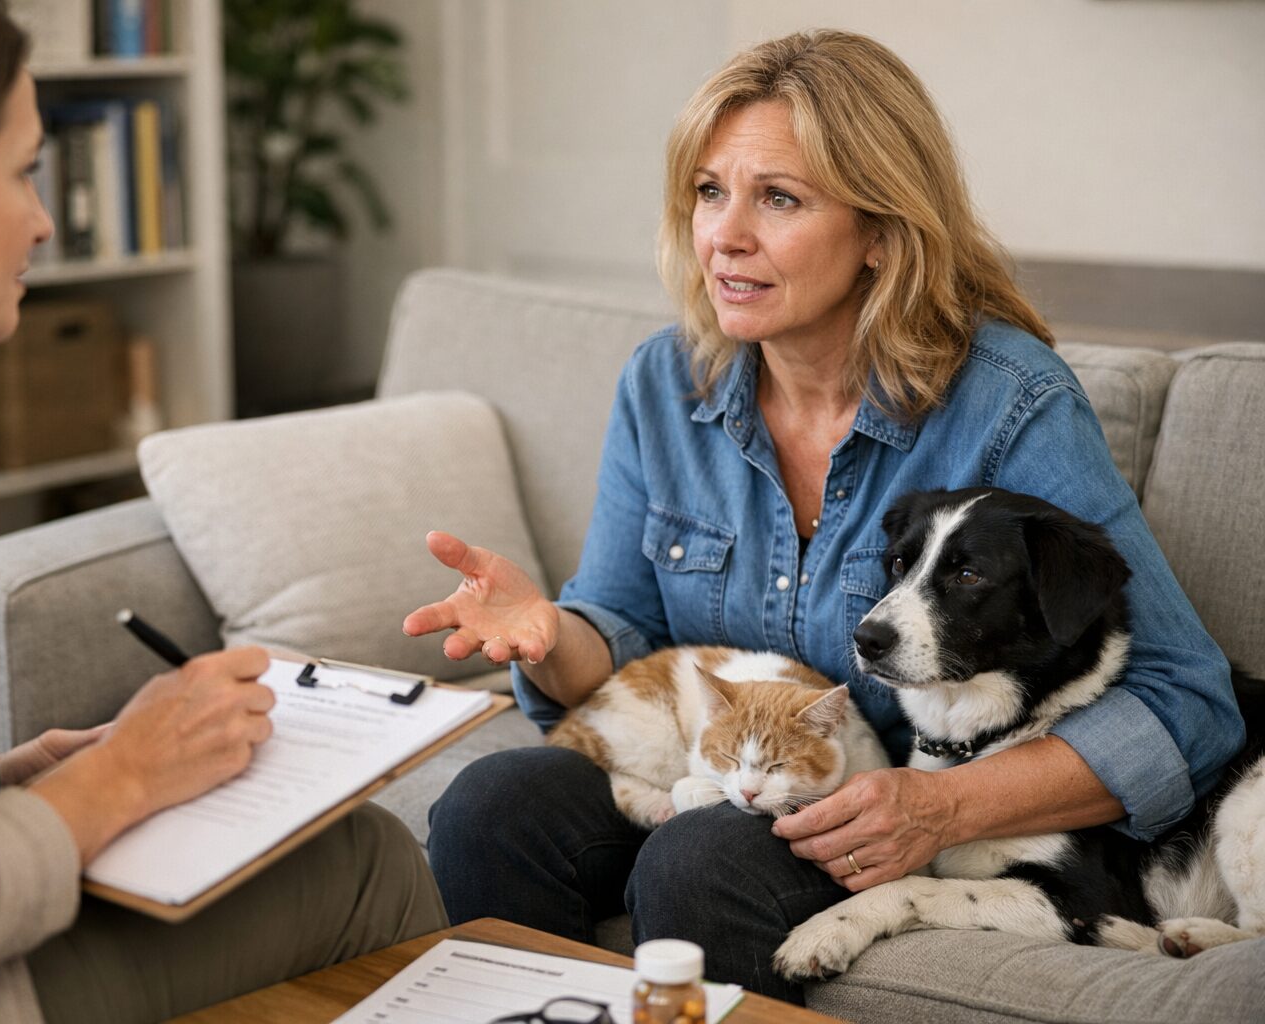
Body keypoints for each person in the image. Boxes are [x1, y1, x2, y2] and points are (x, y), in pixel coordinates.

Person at [404, 29, 1243, 1003]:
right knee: (489, 804)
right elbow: (621, 632)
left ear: (883, 231)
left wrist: (939, 805)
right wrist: (548, 636)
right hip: (726, 764)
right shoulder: (663, 385)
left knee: (698, 857)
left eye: (780, 198)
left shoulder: (1011, 403)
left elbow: (1190, 703)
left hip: (851, 800)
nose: (725, 233)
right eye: (711, 190)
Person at [0, 2, 444, 1022]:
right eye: (24, 170)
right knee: (365, 863)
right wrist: (117, 781)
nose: (45, 218)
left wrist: (21, 779)